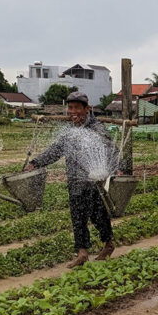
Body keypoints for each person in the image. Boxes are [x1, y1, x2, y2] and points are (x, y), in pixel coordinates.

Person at [26, 93, 115, 268]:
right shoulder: (70, 131)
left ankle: (109, 244)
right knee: (77, 217)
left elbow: (111, 149)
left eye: (76, 108)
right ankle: (82, 252)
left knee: (98, 217)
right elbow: (56, 150)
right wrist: (35, 163)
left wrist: (117, 169)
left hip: (93, 183)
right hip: (75, 182)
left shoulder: (97, 129)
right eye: (70, 108)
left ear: (86, 109)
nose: (72, 111)